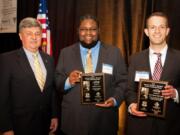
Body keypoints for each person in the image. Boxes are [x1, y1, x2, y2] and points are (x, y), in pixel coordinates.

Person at [55, 14, 127, 135]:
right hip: (73, 122)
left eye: (93, 29)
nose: (88, 33)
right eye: (83, 29)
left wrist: (114, 100)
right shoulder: (65, 53)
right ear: (78, 31)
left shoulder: (114, 52)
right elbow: (57, 81)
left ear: (98, 31)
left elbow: (124, 81)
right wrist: (68, 81)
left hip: (104, 121)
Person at [0, 17, 58, 135]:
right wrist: (5, 128)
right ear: (21, 36)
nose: (34, 37)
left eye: (37, 33)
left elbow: (52, 90)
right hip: (19, 126)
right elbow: (2, 96)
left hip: (45, 123)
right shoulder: (7, 59)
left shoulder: (49, 59)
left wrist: (54, 115)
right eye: (29, 34)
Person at [125, 12, 180, 135]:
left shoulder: (179, 58)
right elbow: (129, 89)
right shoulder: (135, 59)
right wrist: (132, 105)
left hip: (171, 127)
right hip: (139, 126)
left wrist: (175, 93)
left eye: (161, 27)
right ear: (146, 32)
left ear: (167, 31)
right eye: (153, 27)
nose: (157, 31)